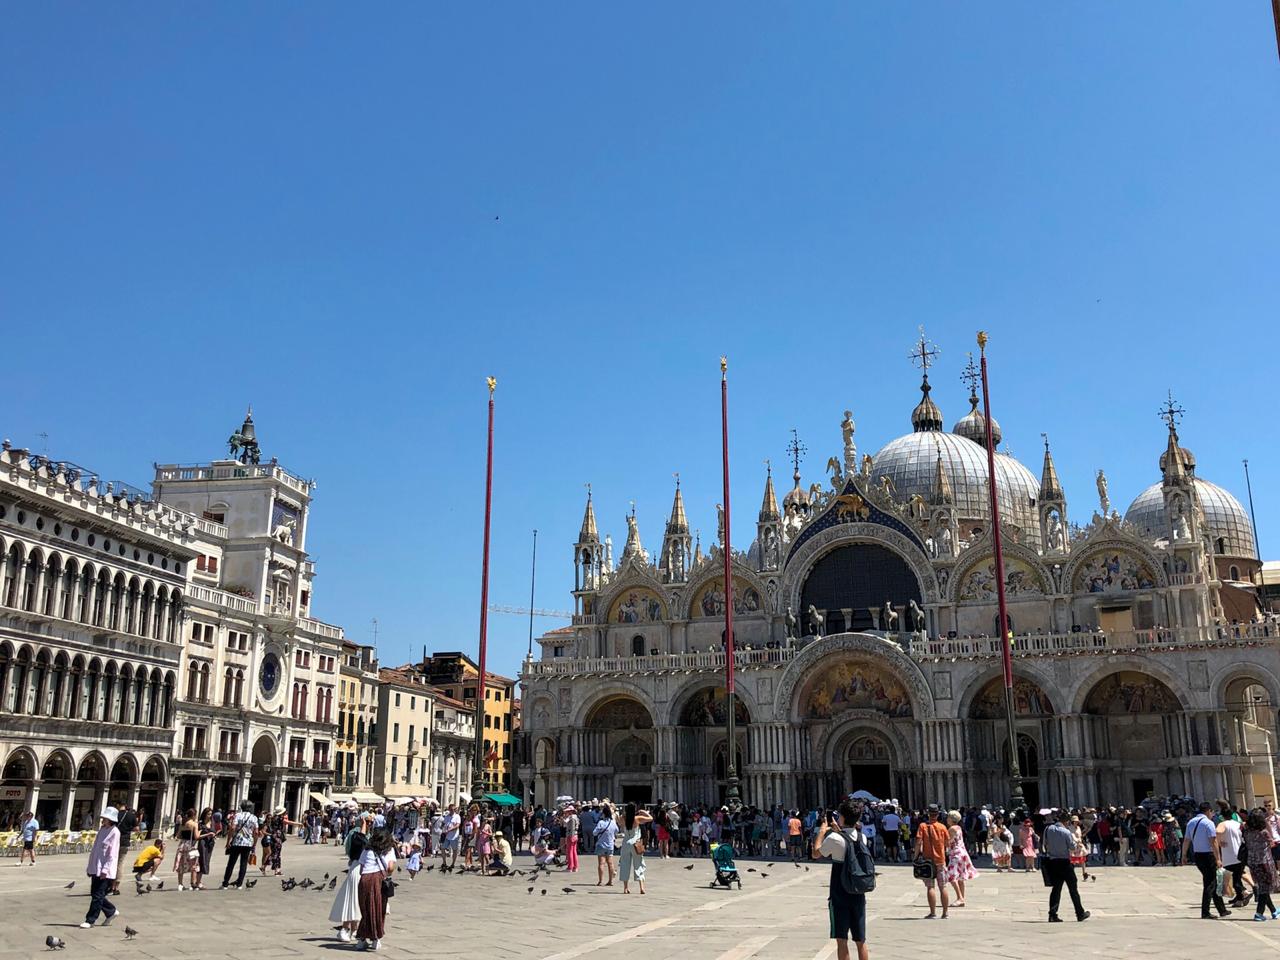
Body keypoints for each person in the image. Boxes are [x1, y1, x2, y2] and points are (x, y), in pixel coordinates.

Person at [813, 800, 871, 960]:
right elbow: (849, 840)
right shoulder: (862, 838)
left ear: (842, 818)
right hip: (858, 890)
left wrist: (822, 831)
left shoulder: (834, 839)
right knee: (861, 940)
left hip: (840, 893)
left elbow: (816, 853)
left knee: (842, 940)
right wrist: (839, 830)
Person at [1182, 800, 1230, 919]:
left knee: (1211, 881)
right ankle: (1205, 911)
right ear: (1208, 811)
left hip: (1197, 855)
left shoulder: (1191, 822)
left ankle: (1221, 909)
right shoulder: (1209, 823)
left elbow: (1186, 840)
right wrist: (1218, 858)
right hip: (1208, 855)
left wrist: (1183, 855)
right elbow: (1213, 842)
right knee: (1210, 884)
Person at [1042, 812, 1090, 922]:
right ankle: (1080, 913)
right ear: (1067, 821)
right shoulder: (1066, 832)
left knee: (1056, 889)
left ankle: (1052, 914)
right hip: (1064, 862)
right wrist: (1077, 844)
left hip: (1053, 862)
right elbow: (1072, 848)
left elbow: (1044, 844)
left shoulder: (1048, 829)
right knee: (1073, 888)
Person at [80, 807, 121, 929]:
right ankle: (111, 911)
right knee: (95, 893)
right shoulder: (102, 830)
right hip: (96, 866)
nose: (103, 820)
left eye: (106, 818)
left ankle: (90, 919)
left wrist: (105, 869)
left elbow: (112, 854)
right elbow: (95, 851)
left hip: (105, 869)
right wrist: (90, 867)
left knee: (98, 895)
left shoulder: (115, 832)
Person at [331, 813, 368, 943]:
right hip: (358, 872)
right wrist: (364, 824)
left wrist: (364, 824)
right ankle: (346, 929)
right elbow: (362, 839)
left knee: (354, 901)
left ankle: (353, 930)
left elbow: (361, 838)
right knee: (354, 902)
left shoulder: (355, 843)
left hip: (355, 869)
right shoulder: (360, 843)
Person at [355, 828, 395, 951]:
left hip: (364, 880)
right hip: (377, 879)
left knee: (365, 910)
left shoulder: (366, 850)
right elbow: (390, 868)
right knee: (378, 909)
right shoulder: (389, 850)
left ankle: (362, 939)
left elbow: (361, 869)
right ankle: (376, 938)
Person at [913, 805, 949, 920]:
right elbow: (947, 844)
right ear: (938, 814)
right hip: (940, 860)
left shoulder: (922, 826)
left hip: (927, 861)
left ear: (928, 814)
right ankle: (945, 913)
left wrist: (915, 856)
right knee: (943, 886)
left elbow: (918, 842)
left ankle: (933, 913)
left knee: (930, 887)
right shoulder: (942, 827)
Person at [1243, 808, 1279, 922]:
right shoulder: (1263, 832)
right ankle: (1259, 913)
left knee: (1263, 886)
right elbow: (1272, 842)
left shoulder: (1246, 831)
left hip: (1252, 862)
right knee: (1265, 888)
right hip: (1264, 862)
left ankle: (1273, 910)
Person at [221, 800, 260, 890]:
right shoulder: (254, 817)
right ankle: (239, 884)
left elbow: (232, 828)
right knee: (243, 863)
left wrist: (228, 841)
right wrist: (254, 844)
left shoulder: (238, 815)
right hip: (248, 843)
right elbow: (256, 832)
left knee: (231, 863)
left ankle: (225, 883)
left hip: (237, 842)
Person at [942, 810, 978, 907]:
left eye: (948, 817)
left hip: (955, 854)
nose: (947, 819)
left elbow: (948, 842)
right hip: (962, 853)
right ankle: (962, 898)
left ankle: (960, 898)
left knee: (951, 876)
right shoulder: (959, 827)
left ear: (951, 819)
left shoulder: (951, 829)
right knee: (960, 877)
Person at [619, 803, 652, 894]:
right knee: (639, 864)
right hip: (635, 844)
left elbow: (619, 821)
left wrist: (624, 813)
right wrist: (643, 812)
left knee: (625, 865)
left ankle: (625, 888)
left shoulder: (623, 818)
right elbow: (651, 818)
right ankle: (641, 887)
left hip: (626, 844)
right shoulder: (637, 819)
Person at [174, 808, 201, 891]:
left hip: (182, 845)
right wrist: (201, 832)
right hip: (191, 845)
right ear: (193, 815)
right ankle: (192, 884)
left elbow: (178, 836)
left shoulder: (183, 824)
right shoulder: (194, 824)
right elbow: (196, 836)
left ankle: (180, 884)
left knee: (181, 864)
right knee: (193, 864)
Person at [112, 806, 136, 895]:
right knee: (120, 863)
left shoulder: (115, 815)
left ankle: (109, 885)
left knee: (111, 862)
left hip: (114, 841)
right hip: (125, 841)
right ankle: (116, 887)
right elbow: (136, 829)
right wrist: (128, 829)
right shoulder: (131, 816)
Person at [594, 802, 618, 886]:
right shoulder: (613, 823)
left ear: (603, 814)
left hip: (601, 844)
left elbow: (594, 833)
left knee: (601, 863)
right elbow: (616, 831)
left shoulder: (601, 822)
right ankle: (610, 881)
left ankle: (600, 881)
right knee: (610, 863)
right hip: (610, 845)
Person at [439, 803, 461, 873]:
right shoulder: (447, 816)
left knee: (454, 850)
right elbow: (444, 823)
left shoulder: (457, 816)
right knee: (442, 848)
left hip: (454, 836)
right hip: (446, 836)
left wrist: (450, 829)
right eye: (451, 809)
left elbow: (457, 825)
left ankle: (453, 863)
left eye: (453, 809)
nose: (452, 811)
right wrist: (442, 827)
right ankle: (444, 862)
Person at [562, 806, 580, 873]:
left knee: (569, 852)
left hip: (571, 835)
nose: (566, 812)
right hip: (575, 835)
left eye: (567, 811)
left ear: (570, 811)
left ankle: (570, 867)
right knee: (574, 851)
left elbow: (571, 828)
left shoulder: (572, 818)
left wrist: (570, 836)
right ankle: (575, 867)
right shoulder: (575, 817)